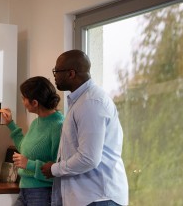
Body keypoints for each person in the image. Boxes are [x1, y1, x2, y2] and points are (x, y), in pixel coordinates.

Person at [41, 49, 128, 206]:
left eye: (56, 71)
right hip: (89, 197)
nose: (54, 76)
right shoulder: (81, 101)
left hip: (98, 197)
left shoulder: (90, 103)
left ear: (71, 73)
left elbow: (89, 158)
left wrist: (54, 169)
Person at [0, 76, 63, 206]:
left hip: (43, 193)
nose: (22, 102)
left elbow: (59, 168)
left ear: (34, 103)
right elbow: (24, 148)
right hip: (25, 190)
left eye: (24, 98)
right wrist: (10, 123)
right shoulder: (36, 122)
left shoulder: (58, 126)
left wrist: (29, 164)